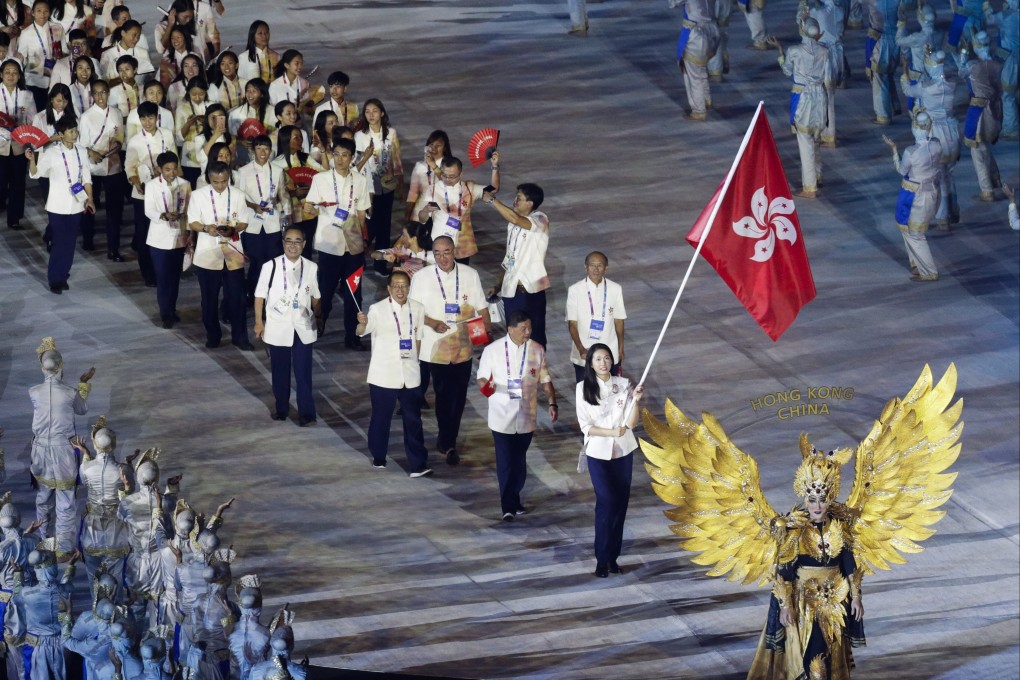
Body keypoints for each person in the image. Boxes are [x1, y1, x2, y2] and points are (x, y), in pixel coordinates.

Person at [408, 235, 491, 466]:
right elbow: (413, 311)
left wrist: (486, 337)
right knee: (444, 396)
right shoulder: (422, 277)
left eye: (446, 252)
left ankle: (448, 438)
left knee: (459, 396)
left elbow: (481, 309)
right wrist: (433, 322)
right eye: (437, 253)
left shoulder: (469, 274)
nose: (442, 258)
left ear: (454, 251)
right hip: (435, 348)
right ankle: (448, 441)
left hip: (463, 346)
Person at [476, 310, 556, 521]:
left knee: (519, 460)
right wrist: (488, 388)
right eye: (523, 329)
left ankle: (515, 497)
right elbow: (481, 379)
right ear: (510, 329)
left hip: (526, 416)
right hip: (501, 416)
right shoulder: (493, 350)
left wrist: (552, 401)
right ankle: (507, 506)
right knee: (505, 461)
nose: (528, 332)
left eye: (529, 328)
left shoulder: (537, 349)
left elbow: (545, 378)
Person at [576, 344, 644, 577]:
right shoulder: (582, 388)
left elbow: (632, 424)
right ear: (591, 363)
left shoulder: (623, 385)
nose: (603, 363)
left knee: (620, 505)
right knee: (607, 502)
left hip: (623, 453)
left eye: (606, 358)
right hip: (598, 453)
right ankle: (601, 558)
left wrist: (635, 401)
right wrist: (611, 433)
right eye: (598, 359)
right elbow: (586, 426)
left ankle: (613, 558)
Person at [356, 270, 431, 476]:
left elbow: (418, 338)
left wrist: (415, 362)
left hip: (410, 373)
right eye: (396, 286)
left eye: (404, 286)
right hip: (384, 373)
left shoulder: (417, 308)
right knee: (381, 418)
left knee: (413, 420)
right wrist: (361, 323)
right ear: (389, 289)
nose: (400, 290)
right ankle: (378, 455)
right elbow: (362, 330)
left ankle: (418, 464)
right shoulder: (377, 309)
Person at [28, 337, 94, 558]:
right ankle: (63, 549)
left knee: (43, 497)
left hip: (39, 450)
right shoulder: (69, 392)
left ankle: (43, 543)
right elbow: (82, 409)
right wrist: (83, 385)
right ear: (60, 367)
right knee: (65, 500)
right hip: (63, 450)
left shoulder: (33, 392)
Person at [303, 137, 371, 348]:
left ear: (352, 158)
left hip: (353, 246)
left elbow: (361, 214)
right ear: (332, 155)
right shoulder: (321, 179)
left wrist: (363, 242)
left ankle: (352, 337)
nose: (340, 159)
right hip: (329, 245)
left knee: (353, 292)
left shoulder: (359, 181)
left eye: (345, 155)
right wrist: (314, 209)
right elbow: (308, 207)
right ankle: (318, 321)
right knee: (325, 289)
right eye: (337, 154)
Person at [254, 227, 322, 424]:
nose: (293, 245)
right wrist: (259, 322)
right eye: (289, 241)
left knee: (303, 373)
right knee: (280, 372)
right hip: (278, 326)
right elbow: (260, 296)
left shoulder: (311, 267)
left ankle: (307, 414)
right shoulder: (271, 266)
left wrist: (318, 316)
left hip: (303, 327)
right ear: (283, 242)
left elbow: (316, 296)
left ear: (304, 244)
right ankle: (281, 408)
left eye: (297, 241)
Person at [188, 160, 255, 350]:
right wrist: (205, 228)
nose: (220, 186)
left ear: (228, 178)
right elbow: (192, 221)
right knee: (209, 299)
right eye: (216, 182)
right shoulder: (198, 195)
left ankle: (240, 337)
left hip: (232, 251)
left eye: (224, 181)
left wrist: (233, 228)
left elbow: (244, 222)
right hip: (207, 253)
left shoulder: (238, 195)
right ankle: (213, 334)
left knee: (237, 298)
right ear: (209, 179)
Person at [26, 114, 95, 293]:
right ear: (61, 134)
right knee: (59, 242)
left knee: (70, 242)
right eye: (71, 131)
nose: (74, 134)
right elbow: (36, 173)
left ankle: (63, 274)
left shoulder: (81, 150)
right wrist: (32, 160)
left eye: (75, 130)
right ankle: (55, 279)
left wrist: (90, 199)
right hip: (57, 205)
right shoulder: (52, 153)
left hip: (77, 204)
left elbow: (86, 177)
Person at [767, 18, 832, 198]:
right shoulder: (825, 51)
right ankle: (818, 174)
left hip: (803, 98)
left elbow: (787, 70)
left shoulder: (795, 51)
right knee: (816, 138)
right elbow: (828, 76)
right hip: (820, 96)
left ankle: (810, 186)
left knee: (805, 142)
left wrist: (779, 51)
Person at [483, 182, 550, 347]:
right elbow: (509, 258)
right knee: (514, 333)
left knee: (535, 334)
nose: (515, 200)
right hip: (511, 291)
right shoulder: (512, 225)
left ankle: (537, 369)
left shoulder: (541, 219)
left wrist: (492, 201)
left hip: (531, 290)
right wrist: (498, 285)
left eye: (519, 198)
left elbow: (515, 217)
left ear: (530, 203)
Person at [881, 111, 943, 282]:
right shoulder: (937, 145)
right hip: (932, 192)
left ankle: (929, 271)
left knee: (915, 233)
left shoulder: (911, 152)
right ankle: (916, 263)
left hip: (916, 196)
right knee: (907, 228)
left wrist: (894, 150)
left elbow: (902, 170)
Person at [902, 50, 961, 230]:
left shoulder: (925, 86)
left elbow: (907, 91)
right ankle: (950, 211)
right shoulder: (951, 84)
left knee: (937, 177)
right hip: (951, 132)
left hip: (935, 133)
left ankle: (941, 215)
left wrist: (904, 74)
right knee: (948, 175)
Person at [125, 101, 176, 287]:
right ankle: (148, 273)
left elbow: (174, 160)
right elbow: (129, 167)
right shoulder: (135, 141)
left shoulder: (167, 135)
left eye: (151, 117)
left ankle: (166, 269)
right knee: (144, 232)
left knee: (166, 230)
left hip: (166, 190)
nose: (147, 121)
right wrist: (136, 182)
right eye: (144, 118)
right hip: (143, 194)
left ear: (157, 117)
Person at [414, 154, 499, 264]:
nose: (448, 179)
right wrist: (425, 211)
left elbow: (493, 189)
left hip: (461, 246)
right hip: (437, 243)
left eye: (452, 176)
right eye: (444, 175)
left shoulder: (469, 189)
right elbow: (422, 219)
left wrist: (495, 166)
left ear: (461, 174)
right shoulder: (433, 189)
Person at [78, 77, 126, 260]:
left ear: (108, 93)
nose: (100, 96)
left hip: (113, 167)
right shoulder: (86, 116)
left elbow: (120, 137)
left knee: (114, 210)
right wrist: (92, 153)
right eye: (96, 93)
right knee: (91, 204)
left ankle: (113, 249)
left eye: (103, 92)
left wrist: (117, 145)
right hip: (93, 168)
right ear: (91, 95)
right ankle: (88, 239)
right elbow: (81, 144)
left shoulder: (116, 113)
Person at [240, 134, 290, 301]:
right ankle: (252, 293)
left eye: (266, 148)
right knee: (256, 261)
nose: (263, 152)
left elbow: (282, 194)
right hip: (252, 223)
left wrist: (287, 217)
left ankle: (270, 294)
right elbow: (239, 198)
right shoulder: (243, 171)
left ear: (271, 151)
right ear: (253, 150)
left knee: (272, 260)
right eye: (259, 148)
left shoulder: (277, 170)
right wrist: (254, 206)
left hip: (272, 222)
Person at [144, 151, 191, 327]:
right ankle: (165, 314)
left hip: (179, 236)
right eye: (167, 169)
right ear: (159, 169)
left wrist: (188, 234)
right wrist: (163, 215)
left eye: (174, 169)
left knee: (174, 277)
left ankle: (172, 309)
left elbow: (188, 210)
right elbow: (148, 210)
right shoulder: (152, 186)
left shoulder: (185, 184)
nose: (171, 173)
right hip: (159, 239)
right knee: (163, 278)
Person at [955, 31, 1004, 202]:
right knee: (986, 146)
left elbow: (961, 72)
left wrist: (962, 53)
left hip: (980, 112)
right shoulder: (998, 64)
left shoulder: (974, 65)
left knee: (978, 150)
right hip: (996, 109)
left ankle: (987, 189)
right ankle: (994, 178)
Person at [565, 251, 627, 383]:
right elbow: (572, 324)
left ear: (606, 268)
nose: (596, 269)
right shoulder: (575, 290)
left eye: (600, 265)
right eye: (592, 265)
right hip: (584, 353)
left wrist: (620, 348)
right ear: (585, 267)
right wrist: (580, 348)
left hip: (610, 352)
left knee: (610, 393)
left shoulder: (615, 289)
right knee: (586, 395)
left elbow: (619, 321)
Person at [0, 59, 38, 232]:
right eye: (7, 72)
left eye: (14, 72)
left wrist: (30, 141)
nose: (10, 75)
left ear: (20, 75)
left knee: (18, 183)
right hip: (0, 145)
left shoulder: (26, 95)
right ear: (1, 74)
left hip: (19, 146)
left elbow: (32, 120)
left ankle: (14, 218)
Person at [669, 0, 720, 120]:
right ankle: (706, 100)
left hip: (697, 34)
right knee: (701, 69)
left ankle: (699, 110)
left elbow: (672, 3)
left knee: (693, 73)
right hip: (712, 31)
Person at [21, 0, 65, 111]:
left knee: (55, 110)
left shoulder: (57, 28)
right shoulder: (26, 33)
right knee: (39, 110)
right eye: (39, 11)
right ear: (33, 13)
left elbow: (64, 50)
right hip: (35, 79)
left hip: (55, 76)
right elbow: (22, 59)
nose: (42, 14)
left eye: (46, 11)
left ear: (49, 13)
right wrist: (40, 63)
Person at [237, 20, 278, 85]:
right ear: (253, 35)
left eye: (266, 32)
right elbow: (240, 80)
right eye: (260, 33)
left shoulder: (275, 56)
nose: (264, 36)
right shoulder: (244, 57)